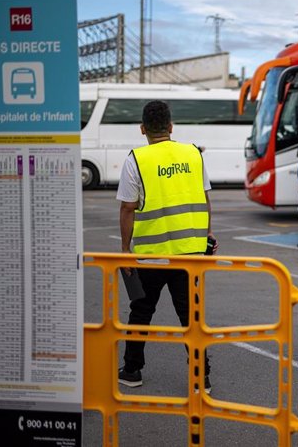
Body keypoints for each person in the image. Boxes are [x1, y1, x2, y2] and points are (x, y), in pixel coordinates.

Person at [116, 100, 217, 393]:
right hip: (190, 254)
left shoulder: (136, 159)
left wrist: (125, 249)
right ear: (171, 127)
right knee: (191, 316)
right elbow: (205, 197)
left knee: (141, 311)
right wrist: (207, 234)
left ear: (143, 129)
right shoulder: (193, 154)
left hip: (151, 256)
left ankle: (132, 370)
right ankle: (202, 378)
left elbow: (127, 208)